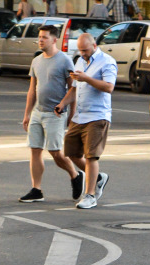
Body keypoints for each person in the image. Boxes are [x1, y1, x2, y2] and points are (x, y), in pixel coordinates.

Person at [19, 26, 82, 203]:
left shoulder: (64, 61)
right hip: (38, 113)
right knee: (35, 150)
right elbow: (32, 89)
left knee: (55, 152)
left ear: (54, 40)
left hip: (56, 113)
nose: (40, 40)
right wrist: (27, 114)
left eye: (45, 37)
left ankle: (75, 175)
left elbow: (73, 88)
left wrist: (72, 113)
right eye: (39, 37)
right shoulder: (36, 61)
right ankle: (36, 189)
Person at [60, 33, 116, 209]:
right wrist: (62, 104)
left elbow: (109, 87)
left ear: (94, 44)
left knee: (91, 156)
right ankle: (98, 177)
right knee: (71, 153)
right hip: (80, 116)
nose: (83, 53)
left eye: (85, 50)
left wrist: (87, 79)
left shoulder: (107, 61)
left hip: (98, 116)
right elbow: (74, 89)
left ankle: (90, 195)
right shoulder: (80, 62)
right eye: (80, 50)